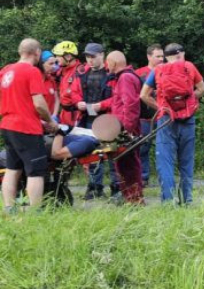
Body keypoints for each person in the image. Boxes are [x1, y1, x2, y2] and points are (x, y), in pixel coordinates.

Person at [140, 43, 204, 204]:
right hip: (187, 120)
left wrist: (162, 108)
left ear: (165, 56)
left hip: (166, 121)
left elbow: (144, 95)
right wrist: (189, 101)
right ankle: (186, 200)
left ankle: (168, 201)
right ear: (181, 54)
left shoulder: (158, 70)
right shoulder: (189, 67)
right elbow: (202, 89)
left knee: (166, 163)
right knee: (186, 162)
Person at [1, 39, 58, 212]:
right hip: (26, 127)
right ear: (37, 53)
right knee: (36, 171)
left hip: (7, 125)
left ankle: (10, 208)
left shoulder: (5, 71)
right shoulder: (31, 71)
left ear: (20, 52)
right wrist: (50, 121)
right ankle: (35, 211)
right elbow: (39, 104)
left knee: (12, 168)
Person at [77, 42, 118, 200]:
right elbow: (73, 93)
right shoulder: (82, 74)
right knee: (93, 156)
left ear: (102, 55)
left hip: (108, 120)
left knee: (113, 154)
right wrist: (77, 103)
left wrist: (102, 105)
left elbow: (117, 97)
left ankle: (116, 188)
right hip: (88, 120)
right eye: (87, 56)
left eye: (93, 56)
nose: (90, 60)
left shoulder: (112, 74)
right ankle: (95, 188)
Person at [107, 51, 144, 205]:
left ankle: (134, 200)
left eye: (107, 62)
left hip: (126, 131)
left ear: (114, 63)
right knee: (124, 165)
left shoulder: (125, 78)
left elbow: (131, 105)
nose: (106, 66)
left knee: (128, 166)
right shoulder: (126, 77)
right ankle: (131, 199)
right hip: (122, 128)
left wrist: (127, 130)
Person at [136, 44, 164, 186]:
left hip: (163, 117)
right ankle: (143, 176)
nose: (160, 59)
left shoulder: (167, 71)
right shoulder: (139, 73)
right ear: (149, 57)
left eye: (162, 56)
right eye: (157, 56)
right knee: (143, 148)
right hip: (145, 117)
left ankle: (163, 176)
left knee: (163, 147)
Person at [52, 40, 83, 127]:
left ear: (68, 56)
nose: (56, 58)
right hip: (64, 115)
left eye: (58, 56)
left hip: (75, 115)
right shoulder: (61, 70)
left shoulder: (80, 72)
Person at [40, 51, 60, 118]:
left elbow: (57, 99)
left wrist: (54, 115)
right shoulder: (35, 80)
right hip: (37, 120)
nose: (54, 66)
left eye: (55, 63)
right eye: (50, 64)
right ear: (41, 64)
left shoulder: (51, 80)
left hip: (51, 120)